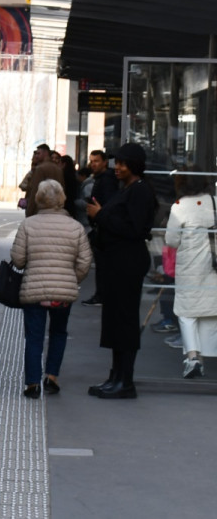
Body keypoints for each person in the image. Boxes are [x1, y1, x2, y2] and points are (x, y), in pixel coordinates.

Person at [85, 143, 157, 399]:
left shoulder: (140, 192)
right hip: (118, 264)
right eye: (118, 163)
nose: (118, 168)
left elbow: (135, 230)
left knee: (124, 322)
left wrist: (101, 215)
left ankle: (125, 381)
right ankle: (116, 376)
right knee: (116, 321)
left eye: (123, 164)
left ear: (134, 165)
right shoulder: (128, 189)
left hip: (127, 264)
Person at [11, 179, 92, 398]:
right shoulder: (75, 227)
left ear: (38, 199)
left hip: (34, 292)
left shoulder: (28, 225)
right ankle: (52, 377)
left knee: (34, 337)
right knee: (58, 332)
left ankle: (31, 384)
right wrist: (70, 279)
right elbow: (85, 262)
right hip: (62, 294)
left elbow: (18, 260)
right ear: (62, 199)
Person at [163, 171, 217, 378]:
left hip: (190, 267)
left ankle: (194, 357)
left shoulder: (180, 206)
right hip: (213, 265)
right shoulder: (214, 201)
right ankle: (205, 355)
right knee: (210, 308)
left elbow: (171, 240)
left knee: (187, 312)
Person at [81, 149, 119, 307]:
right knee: (101, 264)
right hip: (99, 225)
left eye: (96, 161)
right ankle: (101, 294)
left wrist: (99, 214)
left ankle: (102, 295)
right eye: (91, 161)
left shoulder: (107, 180)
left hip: (103, 226)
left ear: (104, 162)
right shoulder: (100, 178)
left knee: (103, 265)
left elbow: (108, 203)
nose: (93, 164)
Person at [25, 146, 64, 217]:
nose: (36, 156)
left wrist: (29, 212)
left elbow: (35, 191)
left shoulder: (40, 169)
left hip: (41, 211)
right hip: (56, 210)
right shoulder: (58, 169)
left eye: (38, 153)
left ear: (45, 153)